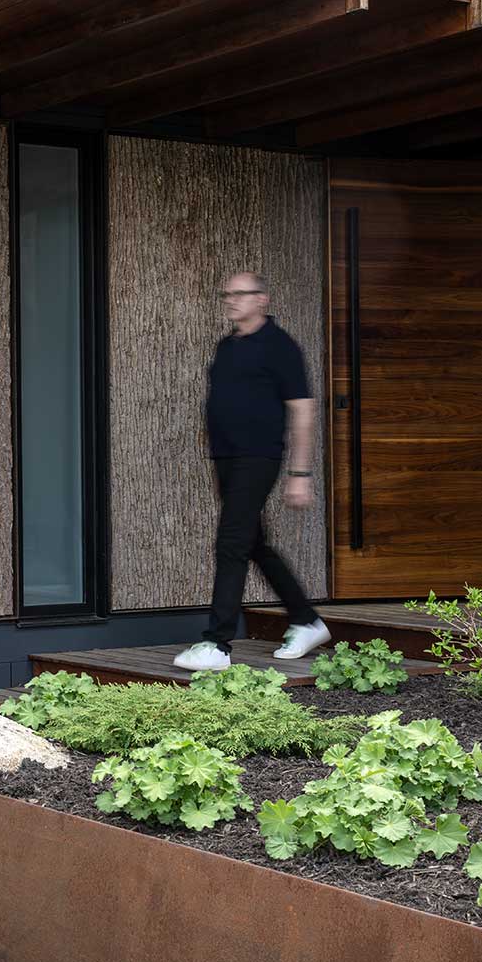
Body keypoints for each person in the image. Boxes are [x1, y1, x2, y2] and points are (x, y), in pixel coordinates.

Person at [173, 272, 330, 672]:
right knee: (252, 542)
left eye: (240, 294)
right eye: (227, 294)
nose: (231, 301)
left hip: (259, 457)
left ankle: (217, 644)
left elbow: (302, 407)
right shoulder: (227, 346)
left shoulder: (280, 347)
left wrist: (300, 473)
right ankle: (306, 619)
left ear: (262, 299)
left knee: (230, 542)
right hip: (226, 459)